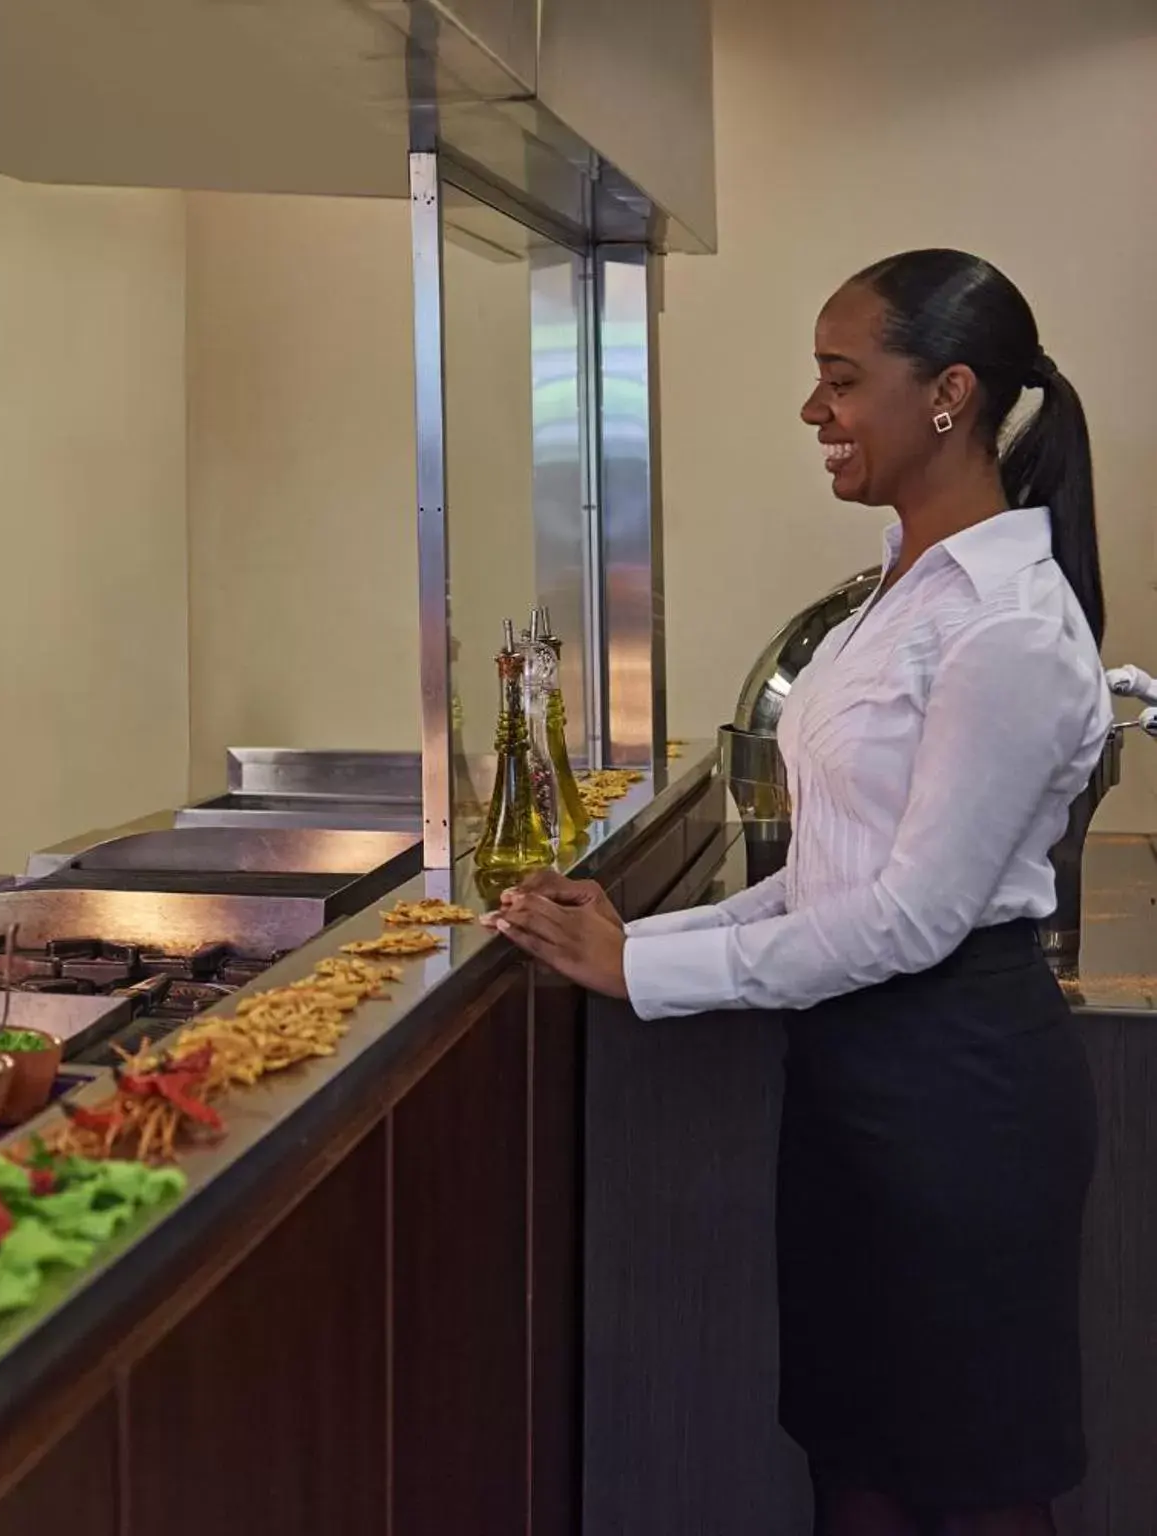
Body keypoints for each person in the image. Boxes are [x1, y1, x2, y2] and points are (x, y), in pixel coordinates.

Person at [493, 250, 1106, 1536]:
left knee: (975, 1482)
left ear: (947, 395)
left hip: (961, 1090)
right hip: (856, 1079)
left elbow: (910, 918)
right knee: (854, 1458)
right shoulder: (896, 590)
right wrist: (633, 937)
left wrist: (641, 970)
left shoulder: (1007, 625)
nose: (814, 411)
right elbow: (831, 870)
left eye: (841, 381)